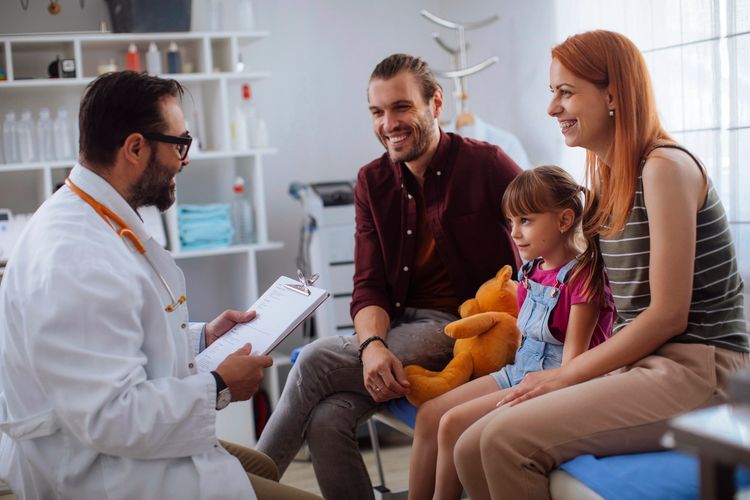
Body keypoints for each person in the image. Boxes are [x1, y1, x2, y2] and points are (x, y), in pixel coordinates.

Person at [452, 30, 749, 499]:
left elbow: (668, 315)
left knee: (504, 441)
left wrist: (567, 375)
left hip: (702, 368)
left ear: (613, 94)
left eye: (565, 92)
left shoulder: (663, 166)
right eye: (552, 93)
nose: (552, 108)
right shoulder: (610, 181)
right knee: (469, 445)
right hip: (645, 363)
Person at [0, 71, 320, 500]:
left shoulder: (94, 215)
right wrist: (220, 387)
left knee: (261, 464)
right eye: (180, 144)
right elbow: (110, 418)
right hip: (99, 472)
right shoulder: (76, 257)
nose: (185, 159)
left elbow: (116, 342)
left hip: (116, 449)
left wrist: (201, 339)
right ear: (135, 147)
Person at [256, 53, 522, 499]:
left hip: (461, 329)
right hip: (400, 328)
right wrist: (372, 345)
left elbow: (548, 218)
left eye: (401, 107)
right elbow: (369, 287)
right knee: (327, 419)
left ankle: (241, 488)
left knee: (317, 359)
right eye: (377, 112)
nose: (388, 123)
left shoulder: (486, 163)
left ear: (435, 104)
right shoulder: (371, 182)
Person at [408, 166, 614, 500]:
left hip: (554, 382)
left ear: (564, 220)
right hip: (520, 373)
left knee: (453, 425)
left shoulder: (583, 278)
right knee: (431, 414)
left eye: (526, 221)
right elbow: (522, 341)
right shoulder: (530, 270)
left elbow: (572, 369)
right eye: (512, 222)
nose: (515, 233)